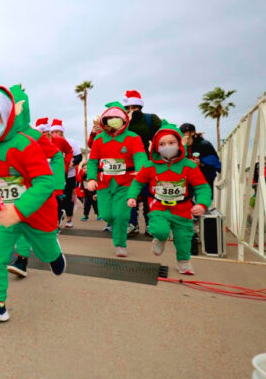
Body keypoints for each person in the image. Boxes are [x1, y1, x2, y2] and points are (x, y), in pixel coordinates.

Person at [0, 85, 66, 324]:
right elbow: (3, 174)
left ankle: (54, 253)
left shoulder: (25, 144)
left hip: (37, 212)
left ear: (6, 113)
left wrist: (19, 210)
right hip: (6, 210)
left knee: (44, 252)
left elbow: (45, 182)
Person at [128, 121, 212, 274]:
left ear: (179, 143)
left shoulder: (189, 165)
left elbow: (202, 186)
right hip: (158, 206)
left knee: (184, 238)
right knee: (160, 229)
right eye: (162, 144)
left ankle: (183, 261)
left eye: (171, 142)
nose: (167, 146)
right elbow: (137, 182)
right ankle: (160, 238)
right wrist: (132, 196)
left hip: (183, 209)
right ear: (156, 147)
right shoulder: (150, 165)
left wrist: (202, 204)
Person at [5, 85, 68, 277]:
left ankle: (53, 252)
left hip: (37, 190)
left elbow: (57, 156)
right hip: (14, 188)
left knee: (39, 230)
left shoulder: (34, 136)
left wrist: (56, 185)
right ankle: (21, 260)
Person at [86, 102, 147, 257]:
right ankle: (118, 227)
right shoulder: (99, 139)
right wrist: (91, 179)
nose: (113, 120)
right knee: (106, 215)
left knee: (121, 215)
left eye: (117, 118)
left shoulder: (133, 138)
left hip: (125, 182)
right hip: (103, 182)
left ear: (124, 120)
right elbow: (92, 161)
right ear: (104, 120)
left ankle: (120, 244)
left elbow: (139, 155)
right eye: (110, 118)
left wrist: (140, 169)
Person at [123, 90, 161, 236]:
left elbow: (161, 135)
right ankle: (132, 224)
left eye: (135, 107)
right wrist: (125, 122)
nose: (131, 110)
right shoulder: (122, 121)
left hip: (148, 163)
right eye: (128, 107)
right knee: (130, 194)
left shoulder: (150, 119)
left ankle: (150, 224)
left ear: (140, 107)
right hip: (127, 165)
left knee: (148, 195)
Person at [51, 119, 83, 228]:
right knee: (57, 197)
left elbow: (79, 157)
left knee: (68, 197)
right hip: (56, 175)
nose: (55, 134)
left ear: (62, 132)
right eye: (53, 132)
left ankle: (69, 219)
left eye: (57, 131)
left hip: (70, 175)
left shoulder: (70, 142)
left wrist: (71, 163)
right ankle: (57, 217)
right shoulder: (51, 142)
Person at [179, 123, 221, 191]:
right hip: (189, 180)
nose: (182, 134)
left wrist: (201, 163)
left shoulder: (204, 144)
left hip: (205, 179)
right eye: (180, 132)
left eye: (184, 132)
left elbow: (216, 164)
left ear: (192, 133)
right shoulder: (182, 147)